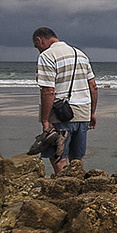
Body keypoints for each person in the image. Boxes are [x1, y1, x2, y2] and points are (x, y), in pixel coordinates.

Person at [32, 27, 97, 175]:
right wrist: (92, 113)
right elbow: (93, 87)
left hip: (61, 114)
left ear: (38, 40)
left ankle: (64, 187)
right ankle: (79, 187)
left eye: (37, 46)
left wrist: (45, 120)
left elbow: (48, 91)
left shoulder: (47, 56)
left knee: (59, 156)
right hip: (83, 112)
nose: (38, 50)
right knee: (77, 158)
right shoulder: (80, 54)